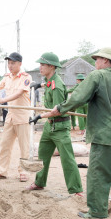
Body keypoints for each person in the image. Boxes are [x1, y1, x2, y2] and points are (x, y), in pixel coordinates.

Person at [40, 48, 111, 219]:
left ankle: (97, 210)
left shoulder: (98, 76)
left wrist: (59, 109)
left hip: (105, 134)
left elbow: (79, 97)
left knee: (99, 172)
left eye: (97, 59)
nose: (95, 63)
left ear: (105, 61)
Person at [27, 52, 83, 196]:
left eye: (42, 65)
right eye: (40, 65)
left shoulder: (57, 86)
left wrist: (39, 116)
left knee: (67, 159)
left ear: (51, 66)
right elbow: (48, 84)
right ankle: (39, 182)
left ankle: (76, 190)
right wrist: (39, 84)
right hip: (49, 126)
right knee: (42, 155)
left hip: (59, 127)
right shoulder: (50, 81)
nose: (40, 67)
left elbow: (57, 110)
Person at [0, 52, 32, 182]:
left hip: (22, 117)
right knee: (5, 145)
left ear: (20, 64)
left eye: (13, 63)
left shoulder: (26, 77)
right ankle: (2, 171)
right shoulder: (7, 77)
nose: (10, 65)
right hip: (10, 117)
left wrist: (3, 100)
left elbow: (20, 93)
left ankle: (24, 171)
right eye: (9, 63)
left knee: (24, 147)